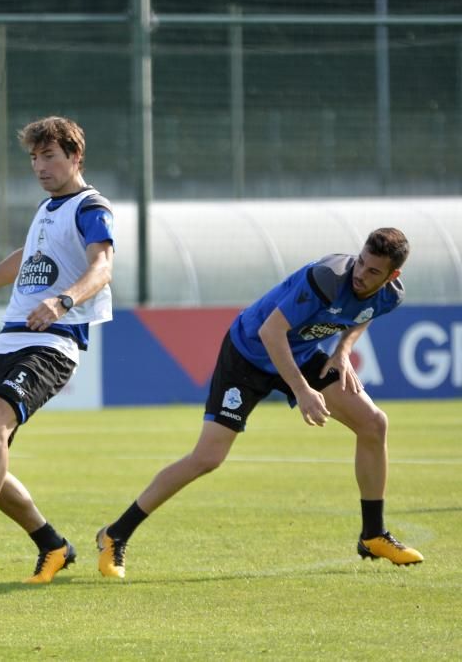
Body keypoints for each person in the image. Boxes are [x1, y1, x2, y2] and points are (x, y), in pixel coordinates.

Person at [95, 228, 423, 579]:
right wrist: (302, 390)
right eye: (361, 263)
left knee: (374, 424)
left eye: (374, 271)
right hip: (248, 354)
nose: (361, 274)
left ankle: (373, 535)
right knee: (207, 458)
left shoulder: (390, 296)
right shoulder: (327, 278)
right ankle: (115, 534)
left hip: (300, 354)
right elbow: (270, 332)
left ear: (392, 276)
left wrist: (343, 350)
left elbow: (363, 313)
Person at [0, 116, 115, 584]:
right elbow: (25, 257)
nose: (39, 166)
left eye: (49, 156)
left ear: (75, 157)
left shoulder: (91, 207)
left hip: (54, 341)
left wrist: (63, 300)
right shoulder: (46, 210)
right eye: (34, 157)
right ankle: (52, 545)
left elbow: (103, 266)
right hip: (10, 342)